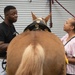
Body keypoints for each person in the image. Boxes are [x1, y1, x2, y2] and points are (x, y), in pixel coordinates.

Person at [0, 5, 18, 75]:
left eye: (16, 13)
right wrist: (16, 44)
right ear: (7, 16)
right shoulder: (1, 28)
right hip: (1, 60)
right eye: (13, 14)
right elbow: (0, 47)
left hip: (9, 59)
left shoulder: (11, 26)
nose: (16, 16)